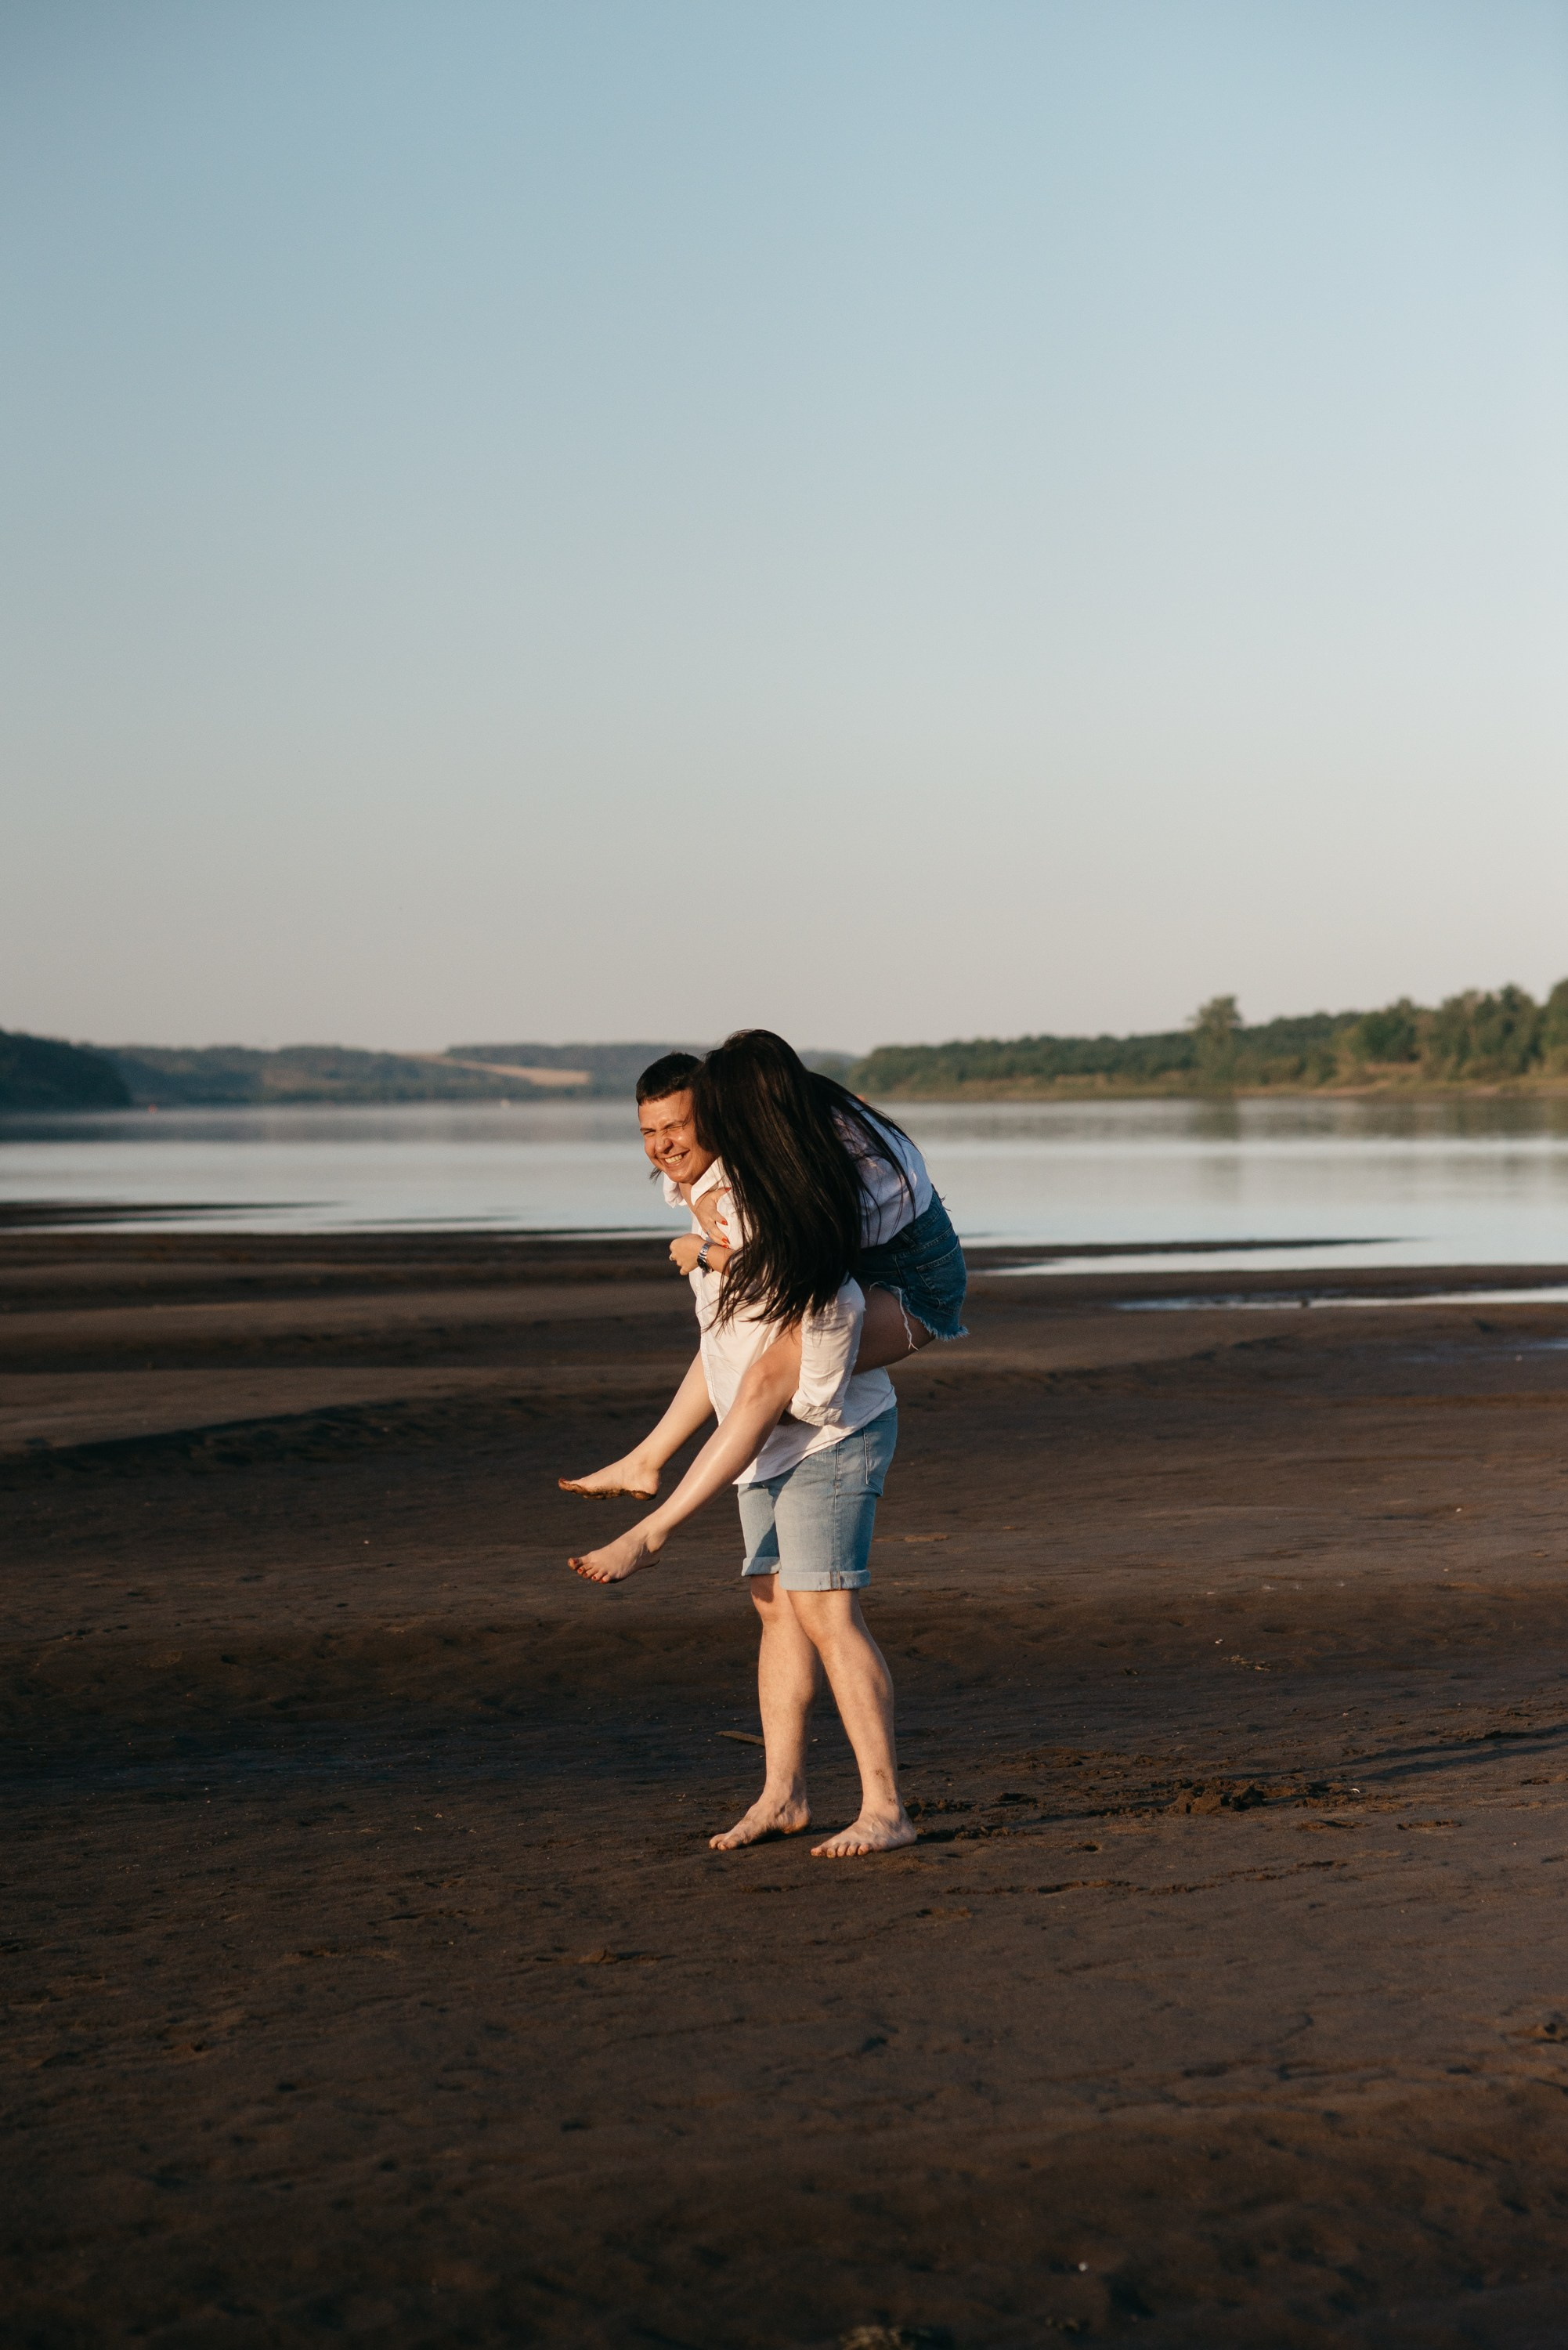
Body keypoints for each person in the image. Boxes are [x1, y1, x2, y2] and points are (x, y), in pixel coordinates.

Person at [563, 1032, 967, 1858]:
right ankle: (783, 1796)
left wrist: (710, 1251)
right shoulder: (746, 1170)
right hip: (772, 1440)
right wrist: (709, 1234)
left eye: (700, 1121)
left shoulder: (829, 1168)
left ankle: (885, 1809)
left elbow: (813, 1277)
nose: (671, 1143)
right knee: (777, 1607)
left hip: (889, 1331)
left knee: (823, 1603)